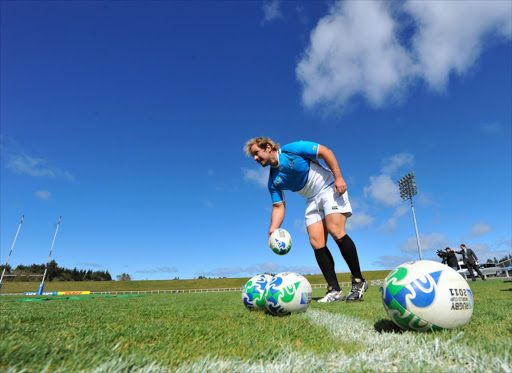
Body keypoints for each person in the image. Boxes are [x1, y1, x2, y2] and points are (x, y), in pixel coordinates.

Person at [243, 137, 367, 302]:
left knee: (335, 230)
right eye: (254, 157)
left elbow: (325, 152)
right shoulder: (273, 181)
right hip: (311, 199)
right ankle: (334, 290)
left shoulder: (292, 149)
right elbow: (279, 206)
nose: (256, 159)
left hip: (329, 186)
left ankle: (359, 281)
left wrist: (339, 178)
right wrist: (272, 230)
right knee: (316, 242)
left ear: (268, 147)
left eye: (257, 154)